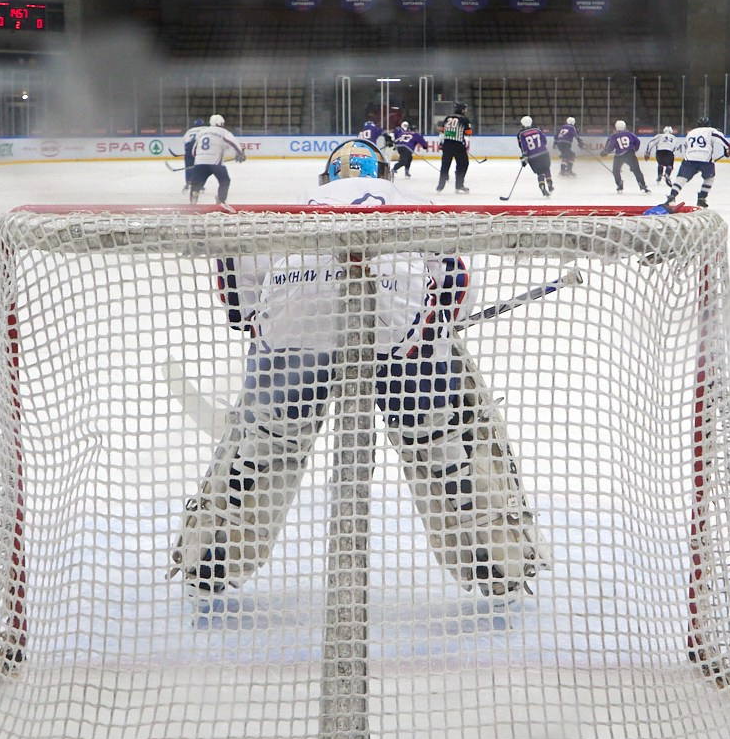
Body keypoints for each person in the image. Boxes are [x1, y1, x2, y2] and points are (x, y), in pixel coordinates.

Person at [171, 138, 542, 597]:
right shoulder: (410, 201)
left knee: (264, 438)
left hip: (295, 324)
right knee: (440, 433)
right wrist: (441, 330)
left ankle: (212, 552)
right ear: (383, 175)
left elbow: (234, 275)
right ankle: (495, 550)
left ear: (326, 180)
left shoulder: (291, 208)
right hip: (396, 323)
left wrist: (262, 329)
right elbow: (458, 281)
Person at [666, 117, 730, 209]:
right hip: (705, 159)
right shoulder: (711, 131)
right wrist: (729, 148)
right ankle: (702, 198)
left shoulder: (691, 132)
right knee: (709, 177)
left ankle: (672, 196)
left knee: (681, 178)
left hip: (689, 158)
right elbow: (721, 139)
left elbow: (686, 145)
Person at [181, 113, 245, 204]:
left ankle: (193, 199)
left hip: (200, 163)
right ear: (221, 123)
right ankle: (221, 200)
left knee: (196, 183)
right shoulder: (223, 132)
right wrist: (240, 153)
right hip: (215, 163)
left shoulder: (202, 132)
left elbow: (194, 151)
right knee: (224, 181)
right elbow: (234, 143)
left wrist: (199, 159)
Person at [603, 120, 647, 193]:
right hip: (630, 154)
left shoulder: (613, 135)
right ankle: (642, 185)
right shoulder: (629, 134)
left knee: (616, 171)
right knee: (637, 171)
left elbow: (611, 146)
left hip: (619, 156)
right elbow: (638, 142)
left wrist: (605, 152)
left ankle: (619, 184)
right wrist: (634, 149)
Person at [435, 105, 471, 192]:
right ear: (462, 110)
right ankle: (459, 185)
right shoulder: (464, 119)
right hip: (458, 145)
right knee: (463, 164)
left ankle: (440, 186)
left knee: (445, 165)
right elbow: (469, 132)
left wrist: (441, 143)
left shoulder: (448, 117)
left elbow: (443, 131)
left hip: (447, 144)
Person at [516, 115, 554, 197]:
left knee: (540, 172)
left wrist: (524, 156)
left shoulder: (521, 134)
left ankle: (542, 186)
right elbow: (544, 140)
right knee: (546, 168)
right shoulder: (538, 130)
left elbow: (523, 146)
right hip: (543, 153)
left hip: (533, 157)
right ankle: (550, 183)